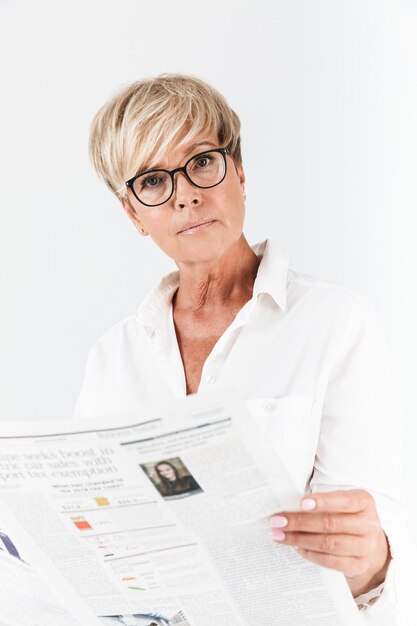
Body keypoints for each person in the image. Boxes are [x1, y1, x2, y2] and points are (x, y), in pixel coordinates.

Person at [75, 73, 407, 622]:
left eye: (202, 161)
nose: (186, 194)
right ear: (134, 215)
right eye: (154, 181)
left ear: (240, 171)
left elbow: (373, 552)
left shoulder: (337, 323)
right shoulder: (112, 357)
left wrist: (371, 560)